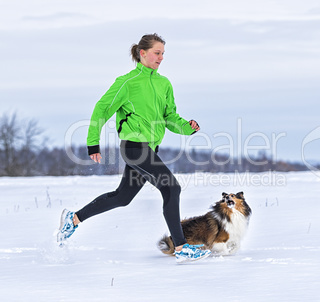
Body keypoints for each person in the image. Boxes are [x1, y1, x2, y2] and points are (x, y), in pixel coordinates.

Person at [57, 33, 211, 263]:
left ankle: (74, 219)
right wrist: (93, 144)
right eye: (157, 53)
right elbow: (101, 109)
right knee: (171, 188)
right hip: (134, 148)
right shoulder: (127, 82)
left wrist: (187, 128)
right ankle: (181, 247)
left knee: (122, 197)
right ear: (143, 53)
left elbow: (169, 117)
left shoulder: (164, 83)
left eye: (163, 54)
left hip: (149, 149)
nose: (161, 58)